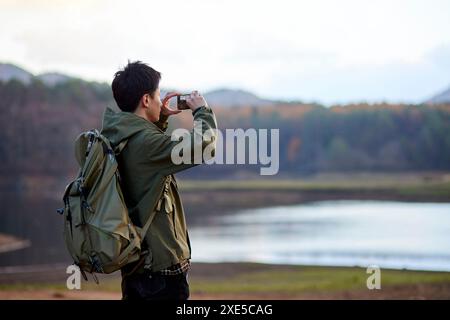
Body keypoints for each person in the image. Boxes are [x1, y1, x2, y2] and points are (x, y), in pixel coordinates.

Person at [101, 61, 217, 300]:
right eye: (156, 96)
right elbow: (203, 146)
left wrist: (160, 118)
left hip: (137, 265)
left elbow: (150, 154)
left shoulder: (117, 135)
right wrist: (201, 111)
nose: (158, 100)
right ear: (145, 100)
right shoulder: (145, 144)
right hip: (161, 271)